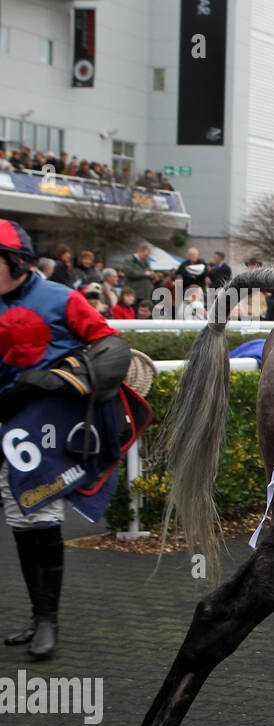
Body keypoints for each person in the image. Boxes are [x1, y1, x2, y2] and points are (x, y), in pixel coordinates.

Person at [0, 219, 120, 659]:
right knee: (19, 518)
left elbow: (110, 347)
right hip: (4, 425)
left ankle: (49, 620)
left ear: (15, 261)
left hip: (46, 428)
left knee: (42, 514)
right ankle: (36, 615)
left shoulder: (62, 297)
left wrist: (55, 380)